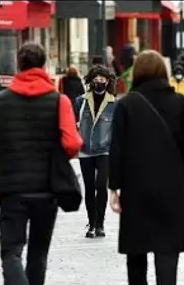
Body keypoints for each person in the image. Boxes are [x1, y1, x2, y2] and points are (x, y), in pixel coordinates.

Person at [0, 42, 83, 285]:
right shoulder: (59, 101)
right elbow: (72, 144)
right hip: (47, 189)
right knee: (38, 253)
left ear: (18, 65)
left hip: (12, 190)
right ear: (43, 65)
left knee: (11, 252)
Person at [108, 49, 184, 285]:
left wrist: (114, 188)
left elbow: (116, 148)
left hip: (136, 187)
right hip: (173, 186)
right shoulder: (179, 103)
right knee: (167, 252)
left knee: (137, 252)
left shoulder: (127, 105)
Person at [73, 65, 117, 238]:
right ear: (90, 80)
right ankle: (92, 224)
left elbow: (118, 129)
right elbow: (72, 122)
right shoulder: (80, 101)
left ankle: (101, 223)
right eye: (96, 78)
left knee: (101, 185)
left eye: (102, 79)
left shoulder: (113, 103)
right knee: (89, 187)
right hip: (85, 150)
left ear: (107, 81)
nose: (99, 81)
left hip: (105, 150)